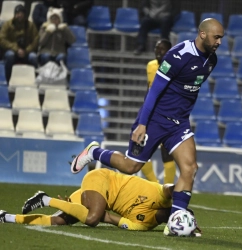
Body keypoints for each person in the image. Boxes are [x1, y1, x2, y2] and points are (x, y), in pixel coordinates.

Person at [71, 18, 223, 236]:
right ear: (202, 34)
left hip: (179, 123)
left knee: (190, 168)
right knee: (130, 166)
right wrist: (142, 123)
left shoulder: (211, 60)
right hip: (155, 120)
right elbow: (154, 91)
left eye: (221, 38)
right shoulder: (178, 55)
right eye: (216, 37)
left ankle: (175, 223)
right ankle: (94, 152)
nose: (219, 42)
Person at [0, 168, 200, 236]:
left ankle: (6, 217)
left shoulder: (143, 225)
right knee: (92, 218)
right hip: (102, 179)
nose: (173, 218)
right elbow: (174, 187)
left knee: (58, 222)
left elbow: (109, 218)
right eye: (179, 216)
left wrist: (76, 209)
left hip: (99, 199)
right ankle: (45, 198)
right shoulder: (161, 193)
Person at [141, 39, 176, 184]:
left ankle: (167, 189)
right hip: (150, 114)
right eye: (156, 48)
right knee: (140, 151)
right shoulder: (150, 66)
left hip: (168, 115)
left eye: (162, 49)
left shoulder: (175, 68)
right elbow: (148, 89)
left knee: (167, 154)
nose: (158, 51)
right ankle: (154, 185)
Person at [0, 4, 38, 83]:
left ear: (24, 15)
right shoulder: (7, 24)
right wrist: (16, 49)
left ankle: (35, 81)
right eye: (17, 13)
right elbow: (2, 39)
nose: (19, 15)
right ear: (15, 14)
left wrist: (26, 50)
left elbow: (36, 40)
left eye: (21, 13)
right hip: (13, 50)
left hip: (27, 51)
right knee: (9, 55)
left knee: (33, 57)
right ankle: (8, 80)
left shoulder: (30, 25)